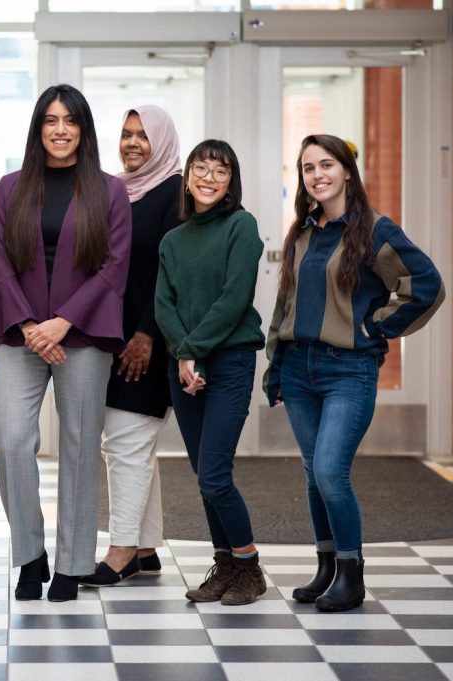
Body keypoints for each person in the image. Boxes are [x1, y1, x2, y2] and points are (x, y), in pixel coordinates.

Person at [264, 133, 444, 612]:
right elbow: (286, 303)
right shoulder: (302, 230)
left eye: (327, 165)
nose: (317, 175)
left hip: (349, 370)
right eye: (308, 168)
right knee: (311, 473)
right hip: (300, 369)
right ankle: (325, 566)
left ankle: (351, 573)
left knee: (329, 471)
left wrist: (379, 323)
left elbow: (425, 285)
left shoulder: (374, 231)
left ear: (346, 171)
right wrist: (275, 364)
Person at [0, 84, 131, 602]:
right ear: (38, 128)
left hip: (81, 337)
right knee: (12, 441)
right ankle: (30, 554)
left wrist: (62, 322)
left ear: (83, 130)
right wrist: (28, 325)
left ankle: (71, 564)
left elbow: (114, 267)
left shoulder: (109, 191)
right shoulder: (9, 188)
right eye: (50, 120)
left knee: (81, 447)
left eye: (70, 121)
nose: (60, 129)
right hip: (21, 335)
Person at [155, 139, 267, 606]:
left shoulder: (242, 226)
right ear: (187, 177)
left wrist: (192, 351)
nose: (208, 178)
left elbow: (234, 298)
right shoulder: (172, 240)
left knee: (215, 474)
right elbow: (164, 304)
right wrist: (184, 356)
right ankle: (225, 567)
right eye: (201, 168)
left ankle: (250, 567)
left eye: (220, 172)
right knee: (204, 472)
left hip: (230, 360)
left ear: (231, 183)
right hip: (185, 363)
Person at [80, 106, 181, 587]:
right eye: (126, 134)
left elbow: (170, 272)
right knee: (131, 443)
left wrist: (147, 334)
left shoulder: (174, 192)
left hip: (147, 339)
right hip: (114, 336)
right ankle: (144, 546)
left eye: (143, 135)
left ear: (161, 141)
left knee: (125, 444)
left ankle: (120, 551)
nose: (133, 143)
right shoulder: (118, 189)